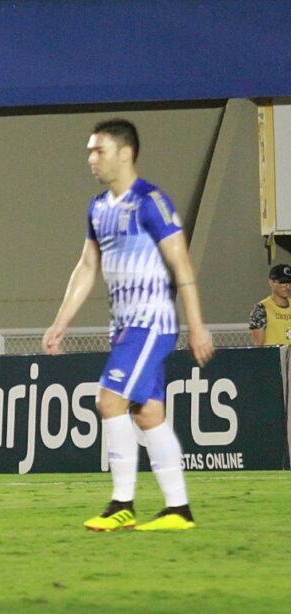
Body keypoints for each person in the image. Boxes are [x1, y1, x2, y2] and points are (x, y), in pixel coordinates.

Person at [42, 118, 214, 532]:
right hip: (123, 327)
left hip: (150, 323)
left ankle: (122, 503)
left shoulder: (150, 202)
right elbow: (87, 266)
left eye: (98, 150)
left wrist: (197, 324)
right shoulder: (99, 208)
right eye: (89, 151)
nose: (90, 159)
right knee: (148, 413)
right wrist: (60, 321)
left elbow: (181, 262)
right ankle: (178, 510)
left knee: (108, 401)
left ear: (126, 153)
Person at [248, 264, 291, 346]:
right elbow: (259, 344)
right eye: (282, 282)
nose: (287, 286)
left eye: (289, 282)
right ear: (271, 282)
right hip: (273, 357)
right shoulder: (261, 309)